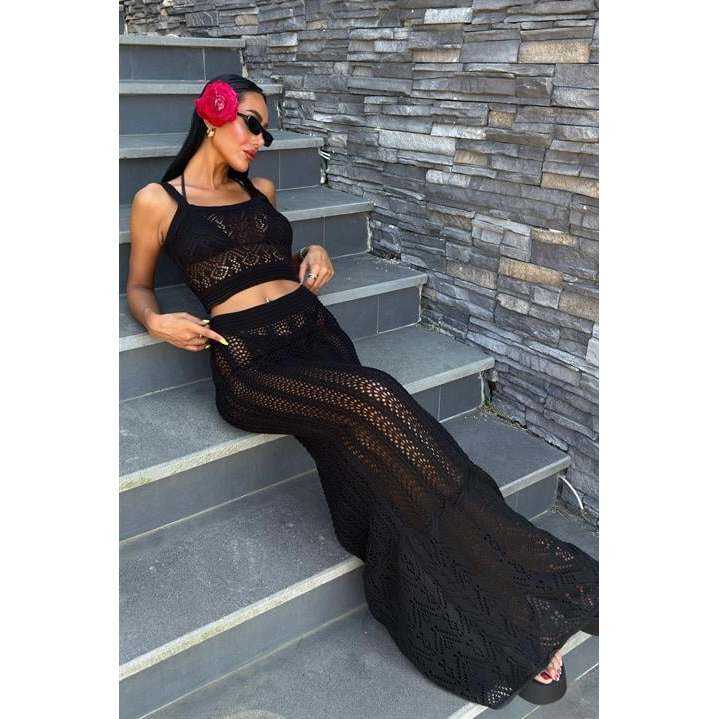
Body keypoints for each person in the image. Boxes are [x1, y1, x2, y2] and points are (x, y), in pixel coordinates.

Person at [125, 74, 599, 709]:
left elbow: (270, 257)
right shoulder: (158, 201)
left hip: (315, 335)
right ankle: (538, 571)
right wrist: (156, 322)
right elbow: (139, 286)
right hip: (252, 364)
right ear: (213, 116)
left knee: (382, 476)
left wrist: (312, 251)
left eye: (267, 130)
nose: (261, 140)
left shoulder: (261, 191)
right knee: (378, 397)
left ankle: (489, 620)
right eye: (252, 123)